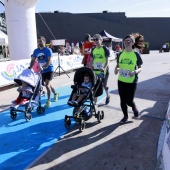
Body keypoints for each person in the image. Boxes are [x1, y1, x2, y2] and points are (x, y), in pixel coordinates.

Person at [114, 33, 144, 124]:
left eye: (128, 41)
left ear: (132, 42)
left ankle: (134, 107)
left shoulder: (136, 54)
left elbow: (140, 68)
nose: (126, 43)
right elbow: (118, 66)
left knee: (129, 101)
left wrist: (134, 72)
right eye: (125, 41)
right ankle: (125, 116)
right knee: (122, 100)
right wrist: (116, 69)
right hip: (121, 80)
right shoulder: (120, 54)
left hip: (132, 81)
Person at [29, 36, 59, 107]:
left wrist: (44, 67)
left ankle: (48, 100)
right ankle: (55, 93)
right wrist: (30, 67)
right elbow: (33, 60)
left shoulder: (48, 50)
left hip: (49, 69)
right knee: (47, 84)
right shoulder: (36, 51)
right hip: (42, 70)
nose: (39, 42)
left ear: (44, 41)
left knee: (47, 84)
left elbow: (49, 60)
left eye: (41, 41)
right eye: (38, 41)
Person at [89, 34, 110, 105]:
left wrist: (104, 68)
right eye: (94, 39)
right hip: (95, 70)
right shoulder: (93, 49)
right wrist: (90, 67)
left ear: (101, 40)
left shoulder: (104, 49)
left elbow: (107, 61)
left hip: (103, 70)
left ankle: (108, 95)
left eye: (97, 39)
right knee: (95, 85)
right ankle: (95, 103)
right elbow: (91, 60)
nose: (95, 41)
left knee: (104, 85)